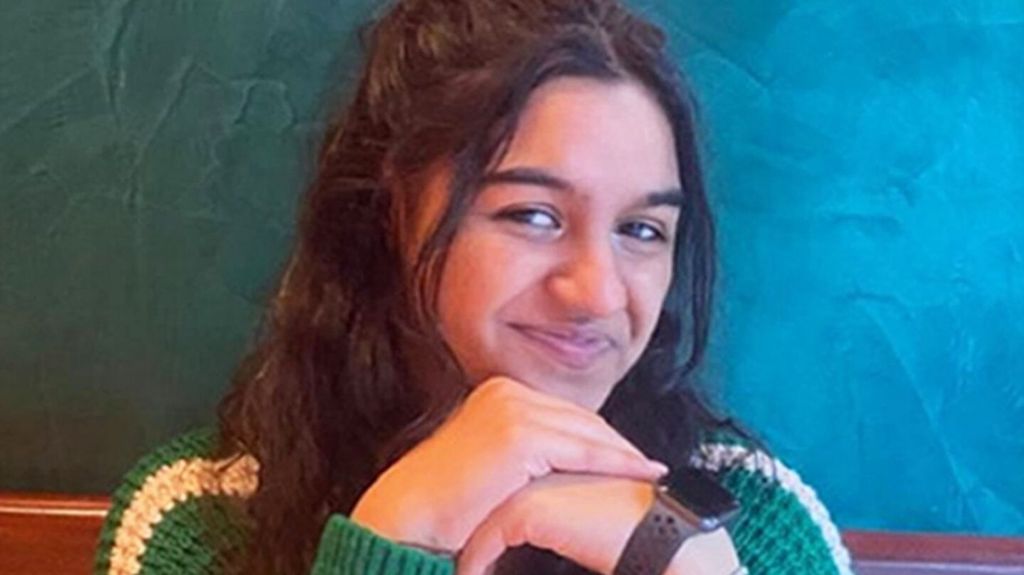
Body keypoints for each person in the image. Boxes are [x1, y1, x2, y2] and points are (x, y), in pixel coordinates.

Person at [94, 1, 853, 574]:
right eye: (532, 215)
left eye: (643, 230)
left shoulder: (754, 519)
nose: (596, 291)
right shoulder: (197, 517)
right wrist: (394, 537)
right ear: (391, 210)